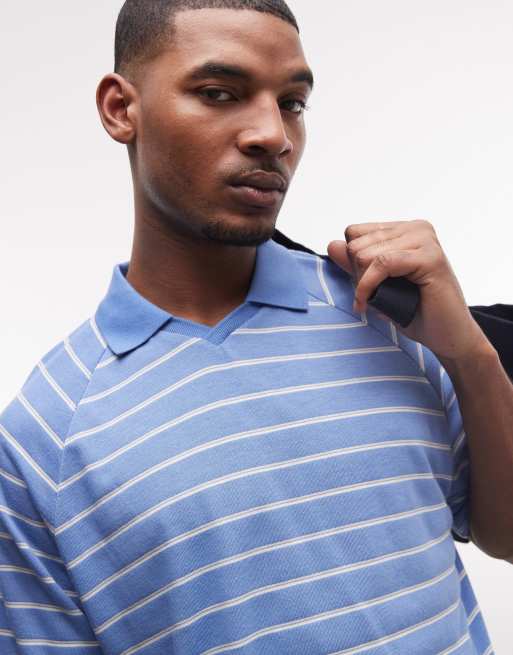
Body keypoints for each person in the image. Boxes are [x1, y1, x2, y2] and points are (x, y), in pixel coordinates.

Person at [1, 2, 512, 653]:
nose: (274, 134)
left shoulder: (388, 317)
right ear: (120, 108)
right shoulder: (42, 438)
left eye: (292, 102)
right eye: (219, 92)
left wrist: (468, 351)